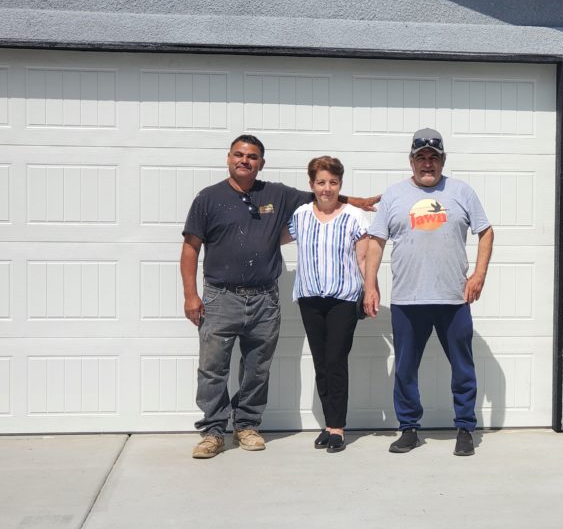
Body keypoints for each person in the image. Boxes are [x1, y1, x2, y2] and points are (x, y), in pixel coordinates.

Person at [181, 135, 377, 459]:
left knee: (257, 367)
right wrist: (190, 295)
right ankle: (213, 432)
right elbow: (190, 248)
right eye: (239, 155)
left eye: (253, 156)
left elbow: (326, 196)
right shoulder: (208, 198)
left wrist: (359, 201)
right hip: (221, 297)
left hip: (264, 299)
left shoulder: (276, 194)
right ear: (229, 157)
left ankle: (246, 426)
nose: (245, 160)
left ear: (261, 163)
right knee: (213, 368)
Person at [363, 128, 494, 457]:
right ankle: (408, 428)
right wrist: (370, 284)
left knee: (462, 367)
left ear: (442, 161)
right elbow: (375, 242)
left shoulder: (461, 191)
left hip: (453, 299)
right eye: (420, 158)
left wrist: (478, 274)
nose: (427, 164)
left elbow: (486, 231)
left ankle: (465, 427)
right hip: (408, 300)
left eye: (433, 158)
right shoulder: (393, 196)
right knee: (406, 368)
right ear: (411, 161)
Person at [281, 156, 370, 453]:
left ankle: (338, 428)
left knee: (335, 360)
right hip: (309, 298)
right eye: (321, 182)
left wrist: (371, 290)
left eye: (333, 182)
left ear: (340, 185)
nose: (327, 188)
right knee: (321, 363)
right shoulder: (301, 215)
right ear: (312, 185)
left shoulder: (355, 216)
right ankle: (328, 423)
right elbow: (270, 237)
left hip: (343, 298)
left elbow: (364, 259)